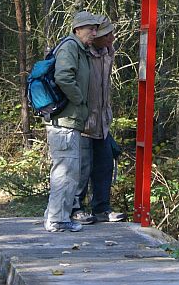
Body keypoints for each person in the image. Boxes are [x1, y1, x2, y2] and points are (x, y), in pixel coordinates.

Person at [43, 11, 101, 233]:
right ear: (77, 29)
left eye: (95, 28)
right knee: (65, 171)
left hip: (69, 121)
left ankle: (56, 215)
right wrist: (80, 102)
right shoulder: (70, 47)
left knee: (68, 170)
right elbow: (63, 77)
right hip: (64, 121)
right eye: (89, 28)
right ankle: (57, 220)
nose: (93, 32)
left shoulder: (80, 50)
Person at [72, 16, 127, 224]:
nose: (112, 38)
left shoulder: (107, 52)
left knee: (104, 165)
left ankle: (102, 209)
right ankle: (76, 208)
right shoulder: (82, 54)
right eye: (108, 35)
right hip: (84, 122)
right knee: (81, 168)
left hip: (102, 121)